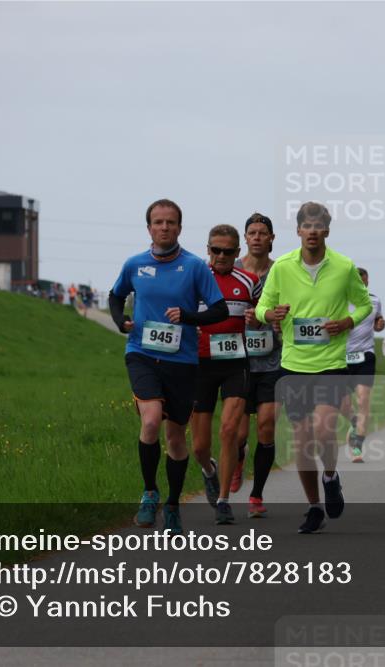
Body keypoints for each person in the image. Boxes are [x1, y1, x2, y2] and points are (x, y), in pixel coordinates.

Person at [108, 199, 228, 535]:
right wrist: (121, 321)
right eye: (158, 222)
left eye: (170, 222)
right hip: (142, 353)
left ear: (179, 228)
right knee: (149, 421)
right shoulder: (135, 264)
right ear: (149, 228)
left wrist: (189, 317)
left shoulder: (193, 267)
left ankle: (173, 503)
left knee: (176, 439)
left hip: (183, 361)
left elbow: (219, 311)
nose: (164, 227)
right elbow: (115, 296)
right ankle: (150, 493)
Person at [255, 202, 372, 534]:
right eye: (306, 226)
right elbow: (264, 305)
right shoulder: (282, 268)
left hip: (331, 363)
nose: (312, 231)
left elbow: (363, 304)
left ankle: (331, 476)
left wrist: (348, 321)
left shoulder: (344, 266)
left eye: (318, 226)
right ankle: (313, 506)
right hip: (293, 365)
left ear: (327, 231)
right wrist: (269, 315)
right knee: (303, 441)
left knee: (323, 429)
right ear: (298, 231)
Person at [189, 225, 260, 525]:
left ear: (237, 253)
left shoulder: (250, 281)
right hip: (201, 365)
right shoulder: (193, 279)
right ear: (207, 249)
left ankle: (223, 501)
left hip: (235, 362)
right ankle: (209, 470)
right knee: (199, 447)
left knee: (229, 431)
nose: (220, 256)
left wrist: (256, 318)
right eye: (215, 250)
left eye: (228, 251)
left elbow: (260, 319)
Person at [236, 213, 280, 519]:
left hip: (272, 360)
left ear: (271, 238)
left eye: (262, 233)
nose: (257, 237)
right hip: (237, 360)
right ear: (245, 238)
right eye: (252, 232)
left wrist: (274, 320)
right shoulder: (232, 268)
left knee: (266, 426)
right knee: (238, 433)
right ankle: (237, 460)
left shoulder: (282, 272)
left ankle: (257, 494)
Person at [339, 267, 385, 463]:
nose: (361, 285)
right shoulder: (338, 300)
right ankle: (353, 421)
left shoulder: (374, 300)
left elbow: (377, 320)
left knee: (363, 401)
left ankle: (356, 447)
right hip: (340, 357)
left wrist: (380, 323)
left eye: (364, 282)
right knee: (343, 405)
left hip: (365, 356)